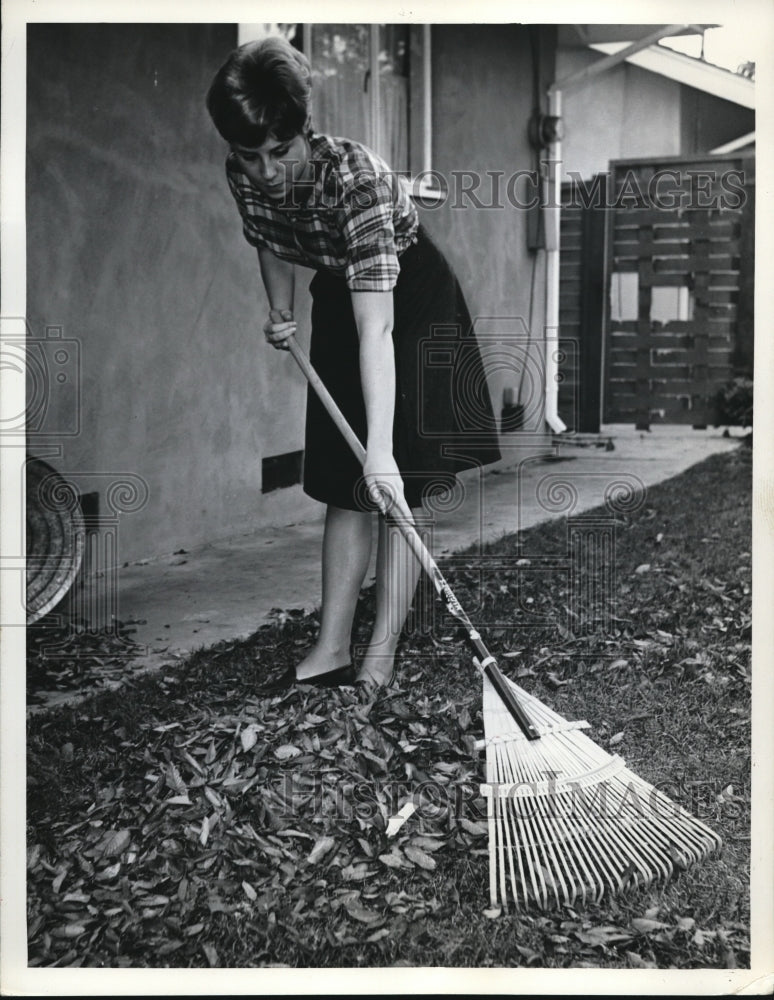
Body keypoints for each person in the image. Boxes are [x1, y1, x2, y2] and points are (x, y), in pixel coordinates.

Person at [206, 35, 501, 691]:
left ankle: (380, 654)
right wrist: (281, 310)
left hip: (411, 302)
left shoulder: (357, 182)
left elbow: (380, 329)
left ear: (304, 132)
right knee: (345, 483)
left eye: (280, 152)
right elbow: (270, 237)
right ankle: (332, 647)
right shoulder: (244, 170)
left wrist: (381, 450)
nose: (267, 171)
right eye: (250, 157)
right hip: (341, 290)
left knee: (394, 484)